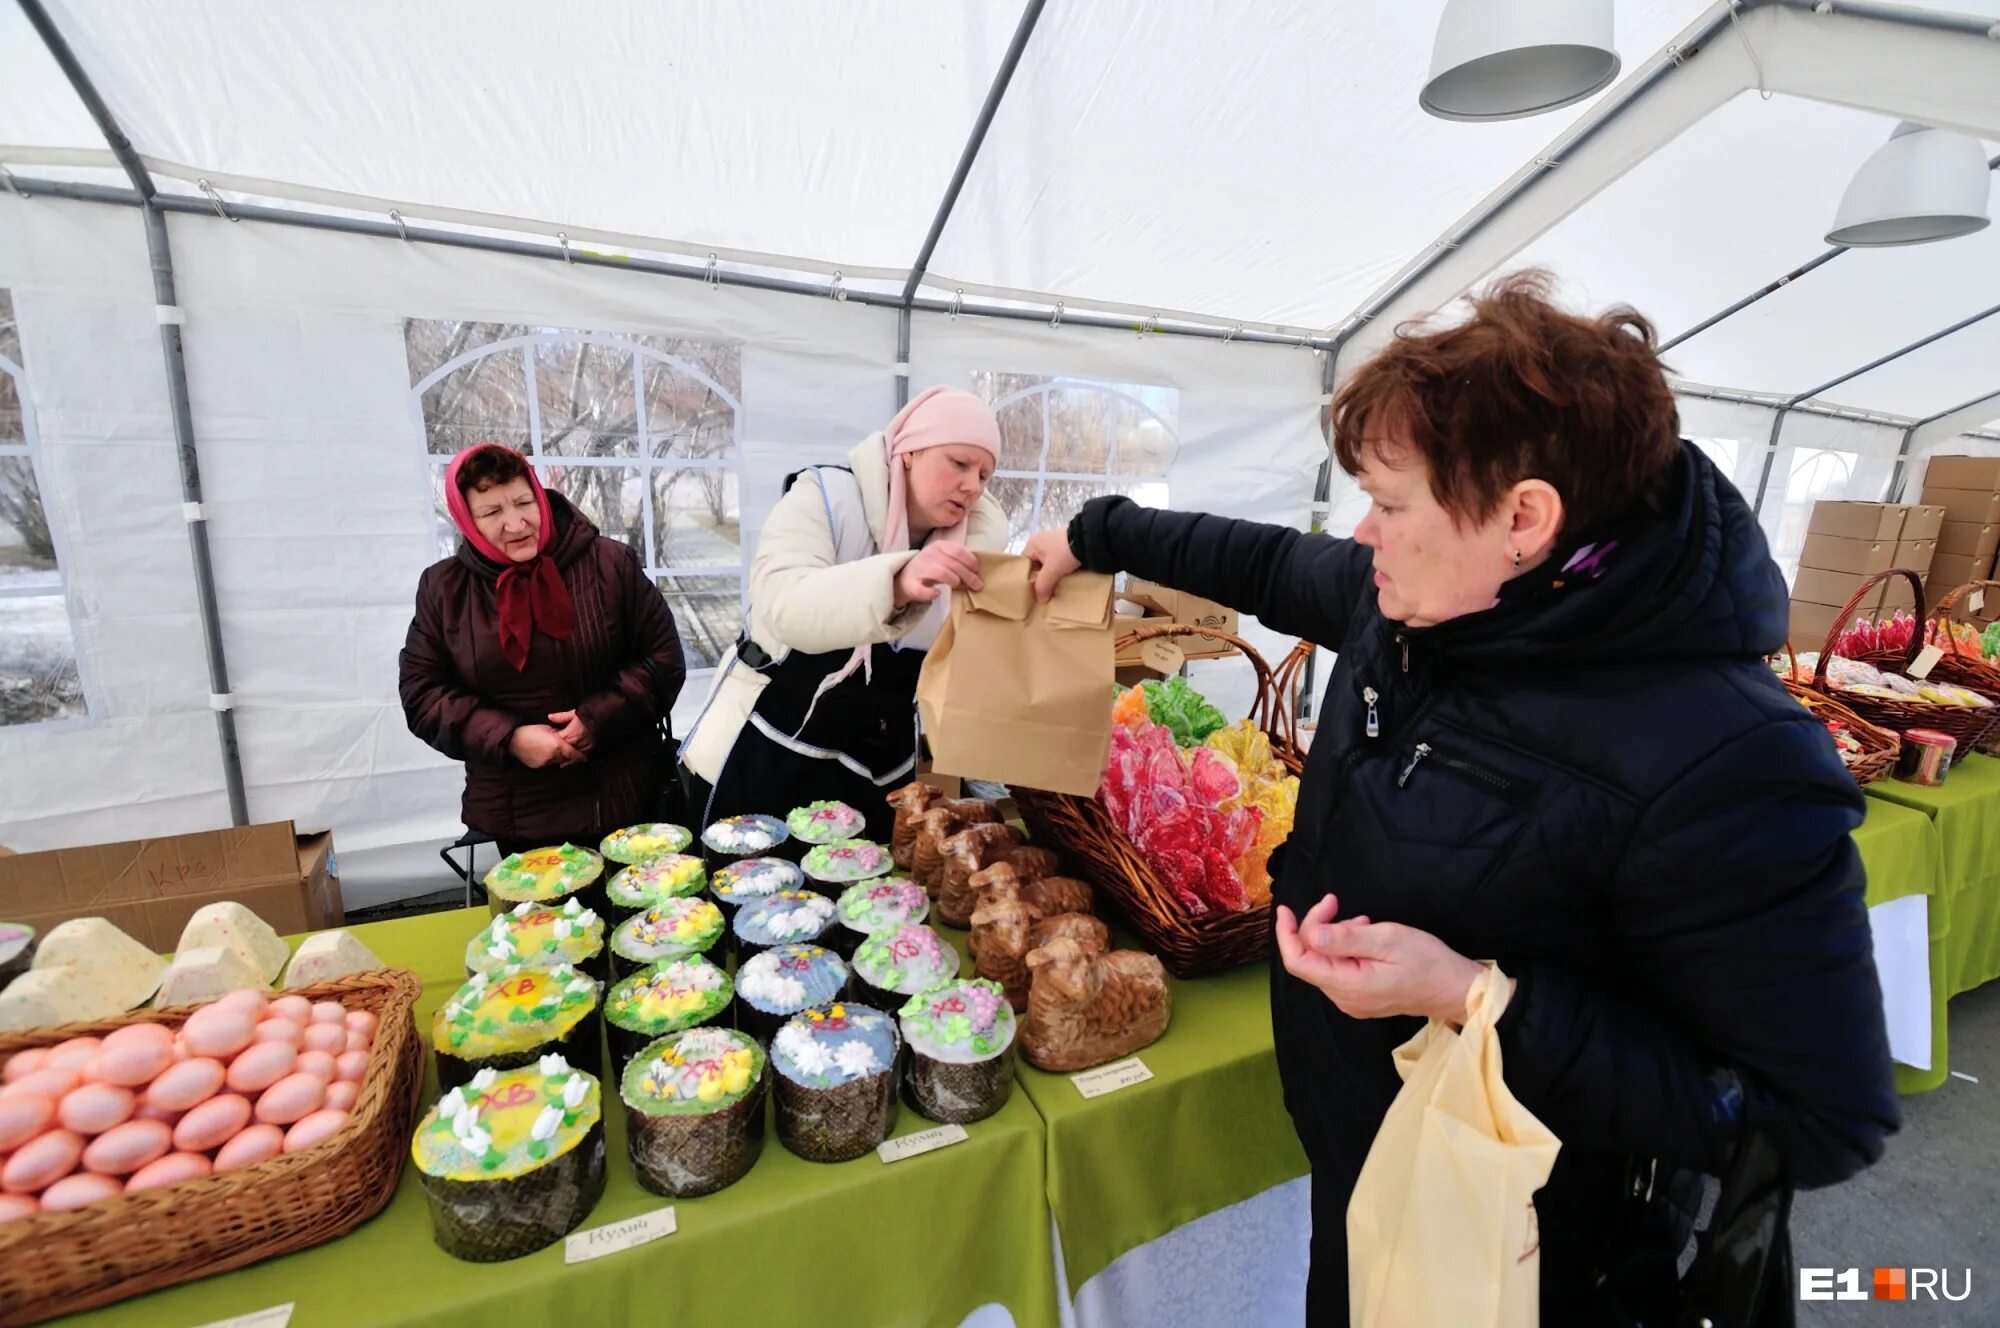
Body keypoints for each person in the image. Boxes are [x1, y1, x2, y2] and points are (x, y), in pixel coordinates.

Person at [1026, 273, 1899, 1323]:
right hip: (1369, 1160)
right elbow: (1256, 557)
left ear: (1523, 518)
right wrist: (1095, 532)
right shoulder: (1413, 600)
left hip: (1518, 1246)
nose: (1360, 533)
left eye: (1390, 504)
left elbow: (1814, 1119)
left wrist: (1476, 998)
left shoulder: (1724, 756)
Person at [678, 386, 1006, 840]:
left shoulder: (975, 550)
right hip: (762, 745)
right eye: (959, 463)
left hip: (874, 768)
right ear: (909, 452)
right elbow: (783, 603)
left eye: (985, 475)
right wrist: (894, 583)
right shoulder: (827, 499)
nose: (973, 486)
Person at [400, 442, 686, 856]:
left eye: (522, 502)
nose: (516, 524)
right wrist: (510, 738)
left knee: (640, 917)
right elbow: (422, 694)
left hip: (625, 796)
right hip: (520, 814)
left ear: (540, 495)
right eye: (492, 512)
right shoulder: (443, 590)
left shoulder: (609, 564)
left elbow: (663, 659)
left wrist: (596, 719)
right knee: (548, 922)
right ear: (467, 520)